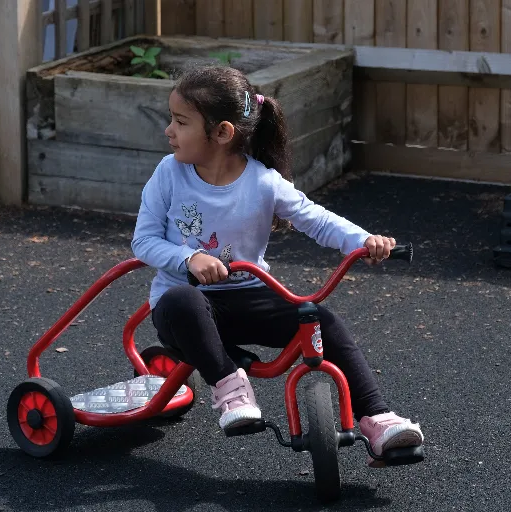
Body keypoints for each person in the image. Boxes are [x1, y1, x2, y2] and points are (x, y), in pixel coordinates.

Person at [131, 65, 423, 464]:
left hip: (248, 298)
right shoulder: (169, 174)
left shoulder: (262, 182)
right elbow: (144, 240)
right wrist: (189, 257)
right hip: (185, 307)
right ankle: (231, 388)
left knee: (320, 319)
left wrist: (364, 241)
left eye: (180, 122)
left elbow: (315, 218)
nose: (168, 130)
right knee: (183, 300)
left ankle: (377, 417)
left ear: (222, 133)